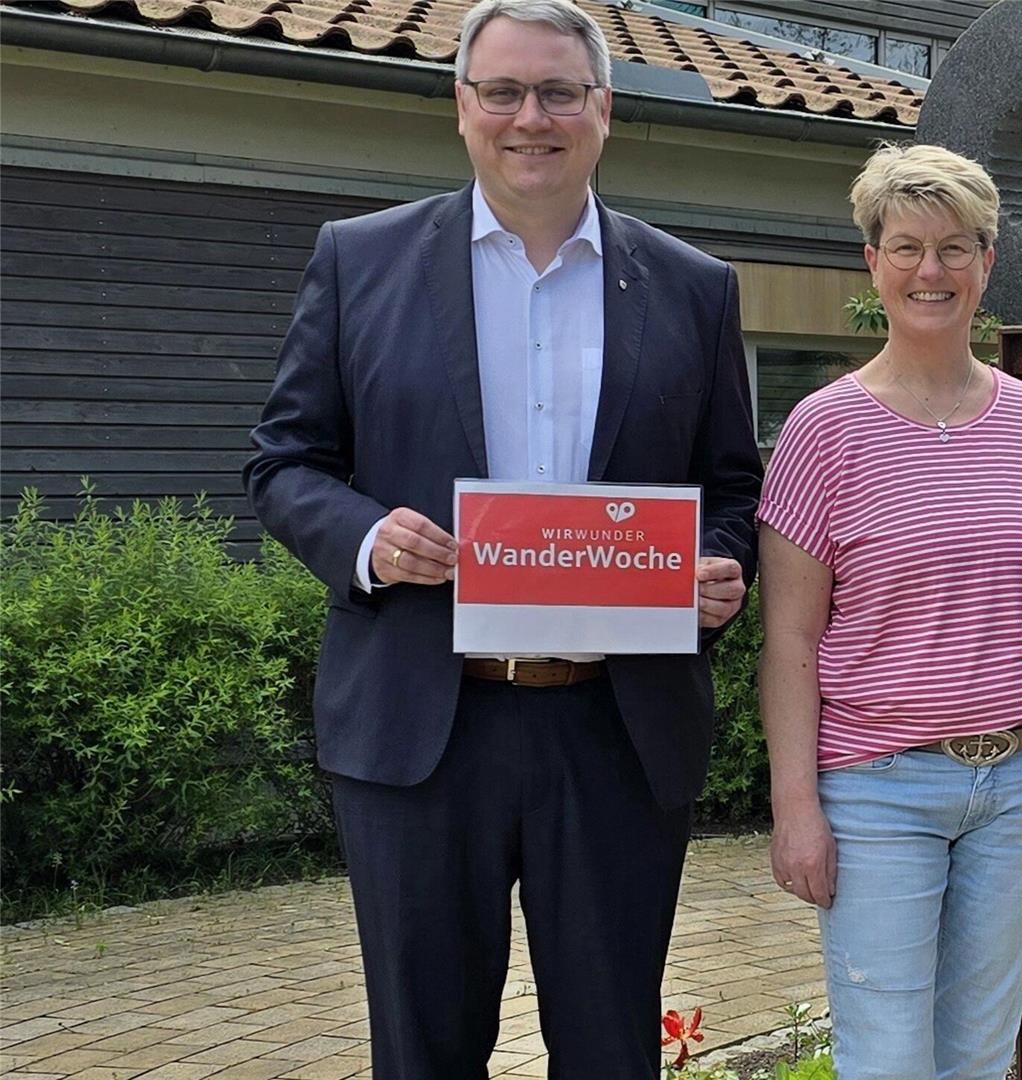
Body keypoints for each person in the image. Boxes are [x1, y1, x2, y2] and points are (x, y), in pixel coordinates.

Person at [243, 0, 761, 1073]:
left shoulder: (694, 287)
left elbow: (731, 489)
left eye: (560, 92)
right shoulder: (360, 261)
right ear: (462, 106)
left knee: (613, 1051)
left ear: (603, 110)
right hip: (421, 728)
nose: (534, 117)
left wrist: (723, 567)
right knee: (423, 1053)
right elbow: (285, 464)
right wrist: (368, 538)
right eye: (506, 91)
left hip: (615, 731)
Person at [755, 143, 1022, 1080]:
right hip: (880, 791)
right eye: (908, 246)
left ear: (987, 263)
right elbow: (791, 638)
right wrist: (795, 804)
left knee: (978, 1054)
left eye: (957, 247)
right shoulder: (824, 429)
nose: (933, 270)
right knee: (886, 1059)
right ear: (872, 263)